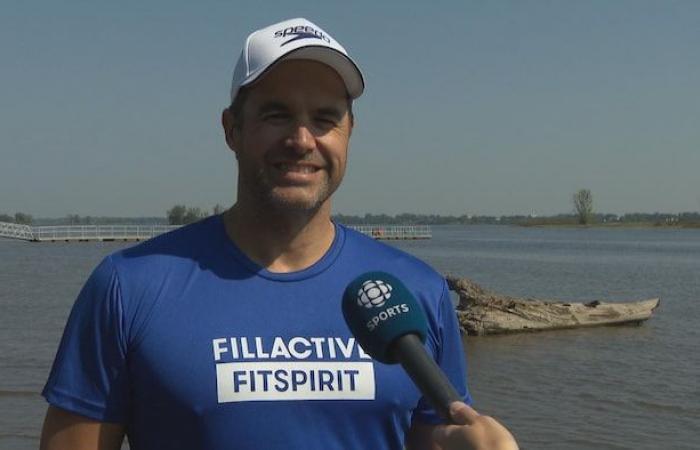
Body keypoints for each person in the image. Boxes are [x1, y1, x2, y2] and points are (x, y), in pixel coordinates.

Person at [40, 17, 518, 450]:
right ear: (232, 129)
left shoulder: (415, 291)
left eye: (325, 118)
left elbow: (430, 432)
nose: (302, 139)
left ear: (349, 131)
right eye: (276, 114)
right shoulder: (128, 287)